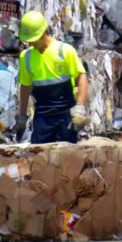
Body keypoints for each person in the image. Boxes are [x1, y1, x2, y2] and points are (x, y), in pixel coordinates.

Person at [14, 11, 89, 143]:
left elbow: (81, 77)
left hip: (65, 114)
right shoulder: (26, 57)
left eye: (33, 39)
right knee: (40, 156)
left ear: (43, 32)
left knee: (66, 156)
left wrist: (80, 108)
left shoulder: (65, 51)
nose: (31, 44)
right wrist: (22, 115)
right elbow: (25, 87)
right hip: (42, 115)